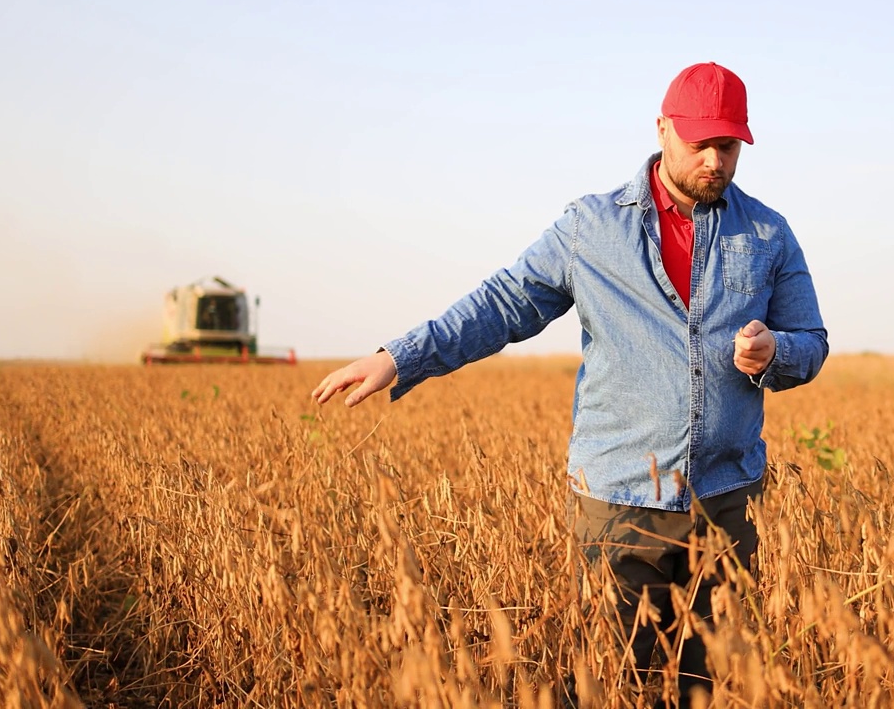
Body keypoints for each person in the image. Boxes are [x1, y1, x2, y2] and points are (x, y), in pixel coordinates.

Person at [312, 61, 828, 706]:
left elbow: (812, 344)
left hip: (725, 498)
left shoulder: (768, 232)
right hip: (618, 497)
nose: (715, 161)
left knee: (703, 686)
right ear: (662, 128)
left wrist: (777, 352)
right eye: (699, 143)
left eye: (728, 146)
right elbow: (504, 303)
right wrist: (401, 356)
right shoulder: (592, 228)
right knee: (613, 681)